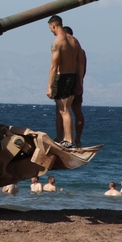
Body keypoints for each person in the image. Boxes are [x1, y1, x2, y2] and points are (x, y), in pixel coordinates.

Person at [47, 15, 81, 149]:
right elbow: (79, 63)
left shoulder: (57, 42)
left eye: (50, 28)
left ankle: (68, 140)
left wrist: (49, 86)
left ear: (54, 26)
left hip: (63, 77)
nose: (51, 31)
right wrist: (79, 81)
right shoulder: (75, 41)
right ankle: (66, 139)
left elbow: (54, 66)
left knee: (64, 110)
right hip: (73, 76)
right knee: (64, 110)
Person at [55, 26, 87, 147]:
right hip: (77, 82)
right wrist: (80, 82)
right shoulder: (80, 49)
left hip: (66, 81)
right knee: (76, 111)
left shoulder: (64, 47)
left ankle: (61, 139)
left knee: (61, 110)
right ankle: (76, 140)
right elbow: (82, 68)